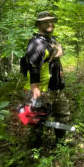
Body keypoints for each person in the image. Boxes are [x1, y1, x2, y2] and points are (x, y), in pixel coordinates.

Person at [23, 11, 70, 147]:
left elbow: (60, 49)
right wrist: (35, 88)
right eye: (45, 21)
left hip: (56, 88)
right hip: (41, 90)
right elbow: (33, 66)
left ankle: (60, 145)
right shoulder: (35, 44)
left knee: (62, 116)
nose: (50, 23)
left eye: (51, 21)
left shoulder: (52, 40)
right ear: (38, 24)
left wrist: (57, 53)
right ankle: (34, 152)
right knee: (37, 123)